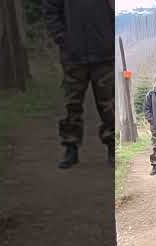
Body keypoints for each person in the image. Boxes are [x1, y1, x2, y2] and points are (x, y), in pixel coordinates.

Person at [43, 0, 115, 169]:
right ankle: (70, 148)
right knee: (71, 104)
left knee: (109, 105)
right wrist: (62, 38)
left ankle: (113, 148)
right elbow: (50, 10)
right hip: (73, 56)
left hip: (104, 54)